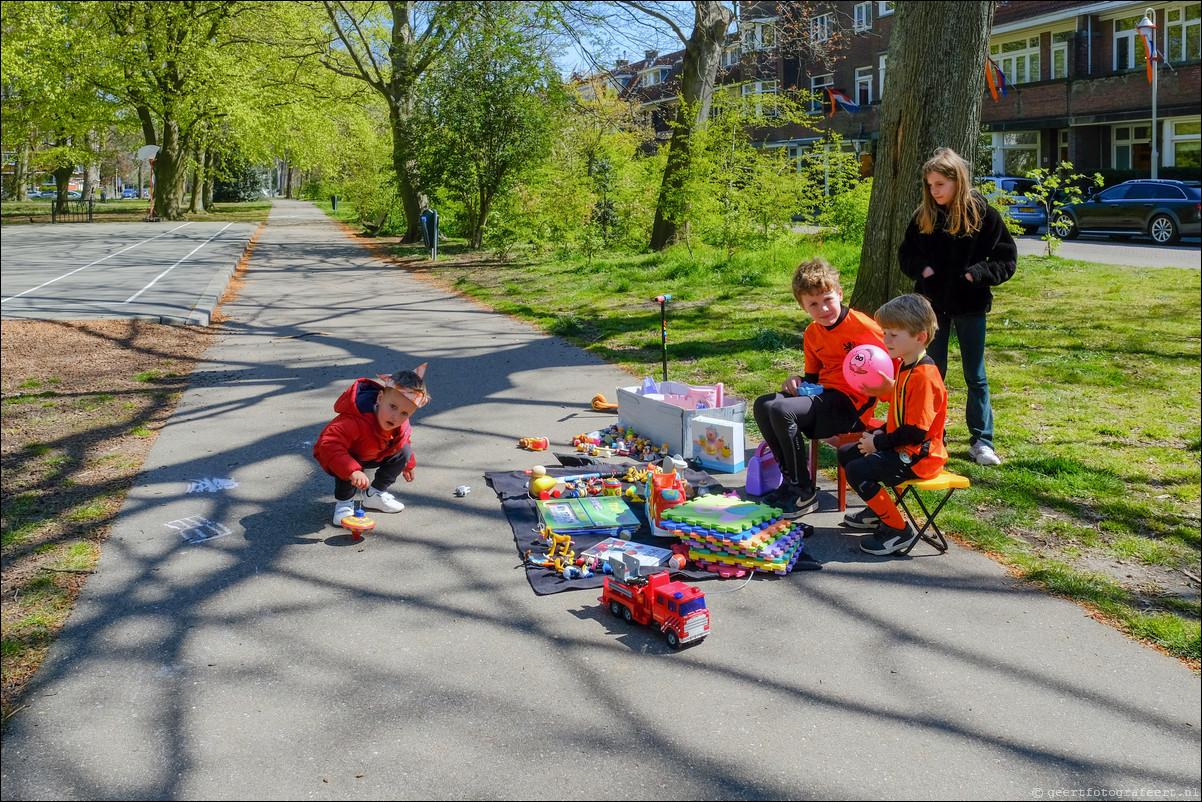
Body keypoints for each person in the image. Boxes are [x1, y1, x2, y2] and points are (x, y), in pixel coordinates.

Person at [898, 147, 1016, 467]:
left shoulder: (985, 215)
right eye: (929, 185)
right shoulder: (923, 215)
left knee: (975, 375)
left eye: (939, 184)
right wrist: (922, 270)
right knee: (931, 374)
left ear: (957, 181)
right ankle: (932, 437)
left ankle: (982, 441)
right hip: (930, 309)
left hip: (971, 304)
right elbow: (906, 254)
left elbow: (1006, 260)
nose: (933, 191)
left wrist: (976, 274)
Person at [751, 258, 888, 515]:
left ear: (839, 293)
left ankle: (804, 492)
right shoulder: (813, 333)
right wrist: (797, 382)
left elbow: (892, 371)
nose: (823, 308)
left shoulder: (865, 327)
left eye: (827, 299)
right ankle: (792, 482)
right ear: (803, 306)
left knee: (782, 410)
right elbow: (812, 380)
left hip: (852, 406)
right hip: (824, 398)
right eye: (813, 304)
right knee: (764, 404)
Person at [838, 294, 947, 556]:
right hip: (903, 446)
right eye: (885, 332)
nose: (886, 340)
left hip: (920, 457)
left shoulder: (923, 376)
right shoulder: (905, 366)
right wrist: (878, 433)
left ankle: (898, 530)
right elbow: (902, 417)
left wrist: (878, 442)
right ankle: (879, 512)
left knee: (858, 470)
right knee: (847, 453)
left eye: (894, 334)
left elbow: (916, 431)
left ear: (920, 337)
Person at [313, 364, 430, 527]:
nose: (396, 416)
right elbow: (329, 444)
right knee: (351, 461)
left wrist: (408, 465)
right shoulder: (356, 420)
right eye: (393, 407)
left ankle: (375, 494)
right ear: (380, 398)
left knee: (404, 451)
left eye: (404, 413)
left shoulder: (400, 425)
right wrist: (352, 470)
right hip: (339, 456)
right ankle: (344, 504)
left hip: (375, 453)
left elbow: (403, 441)